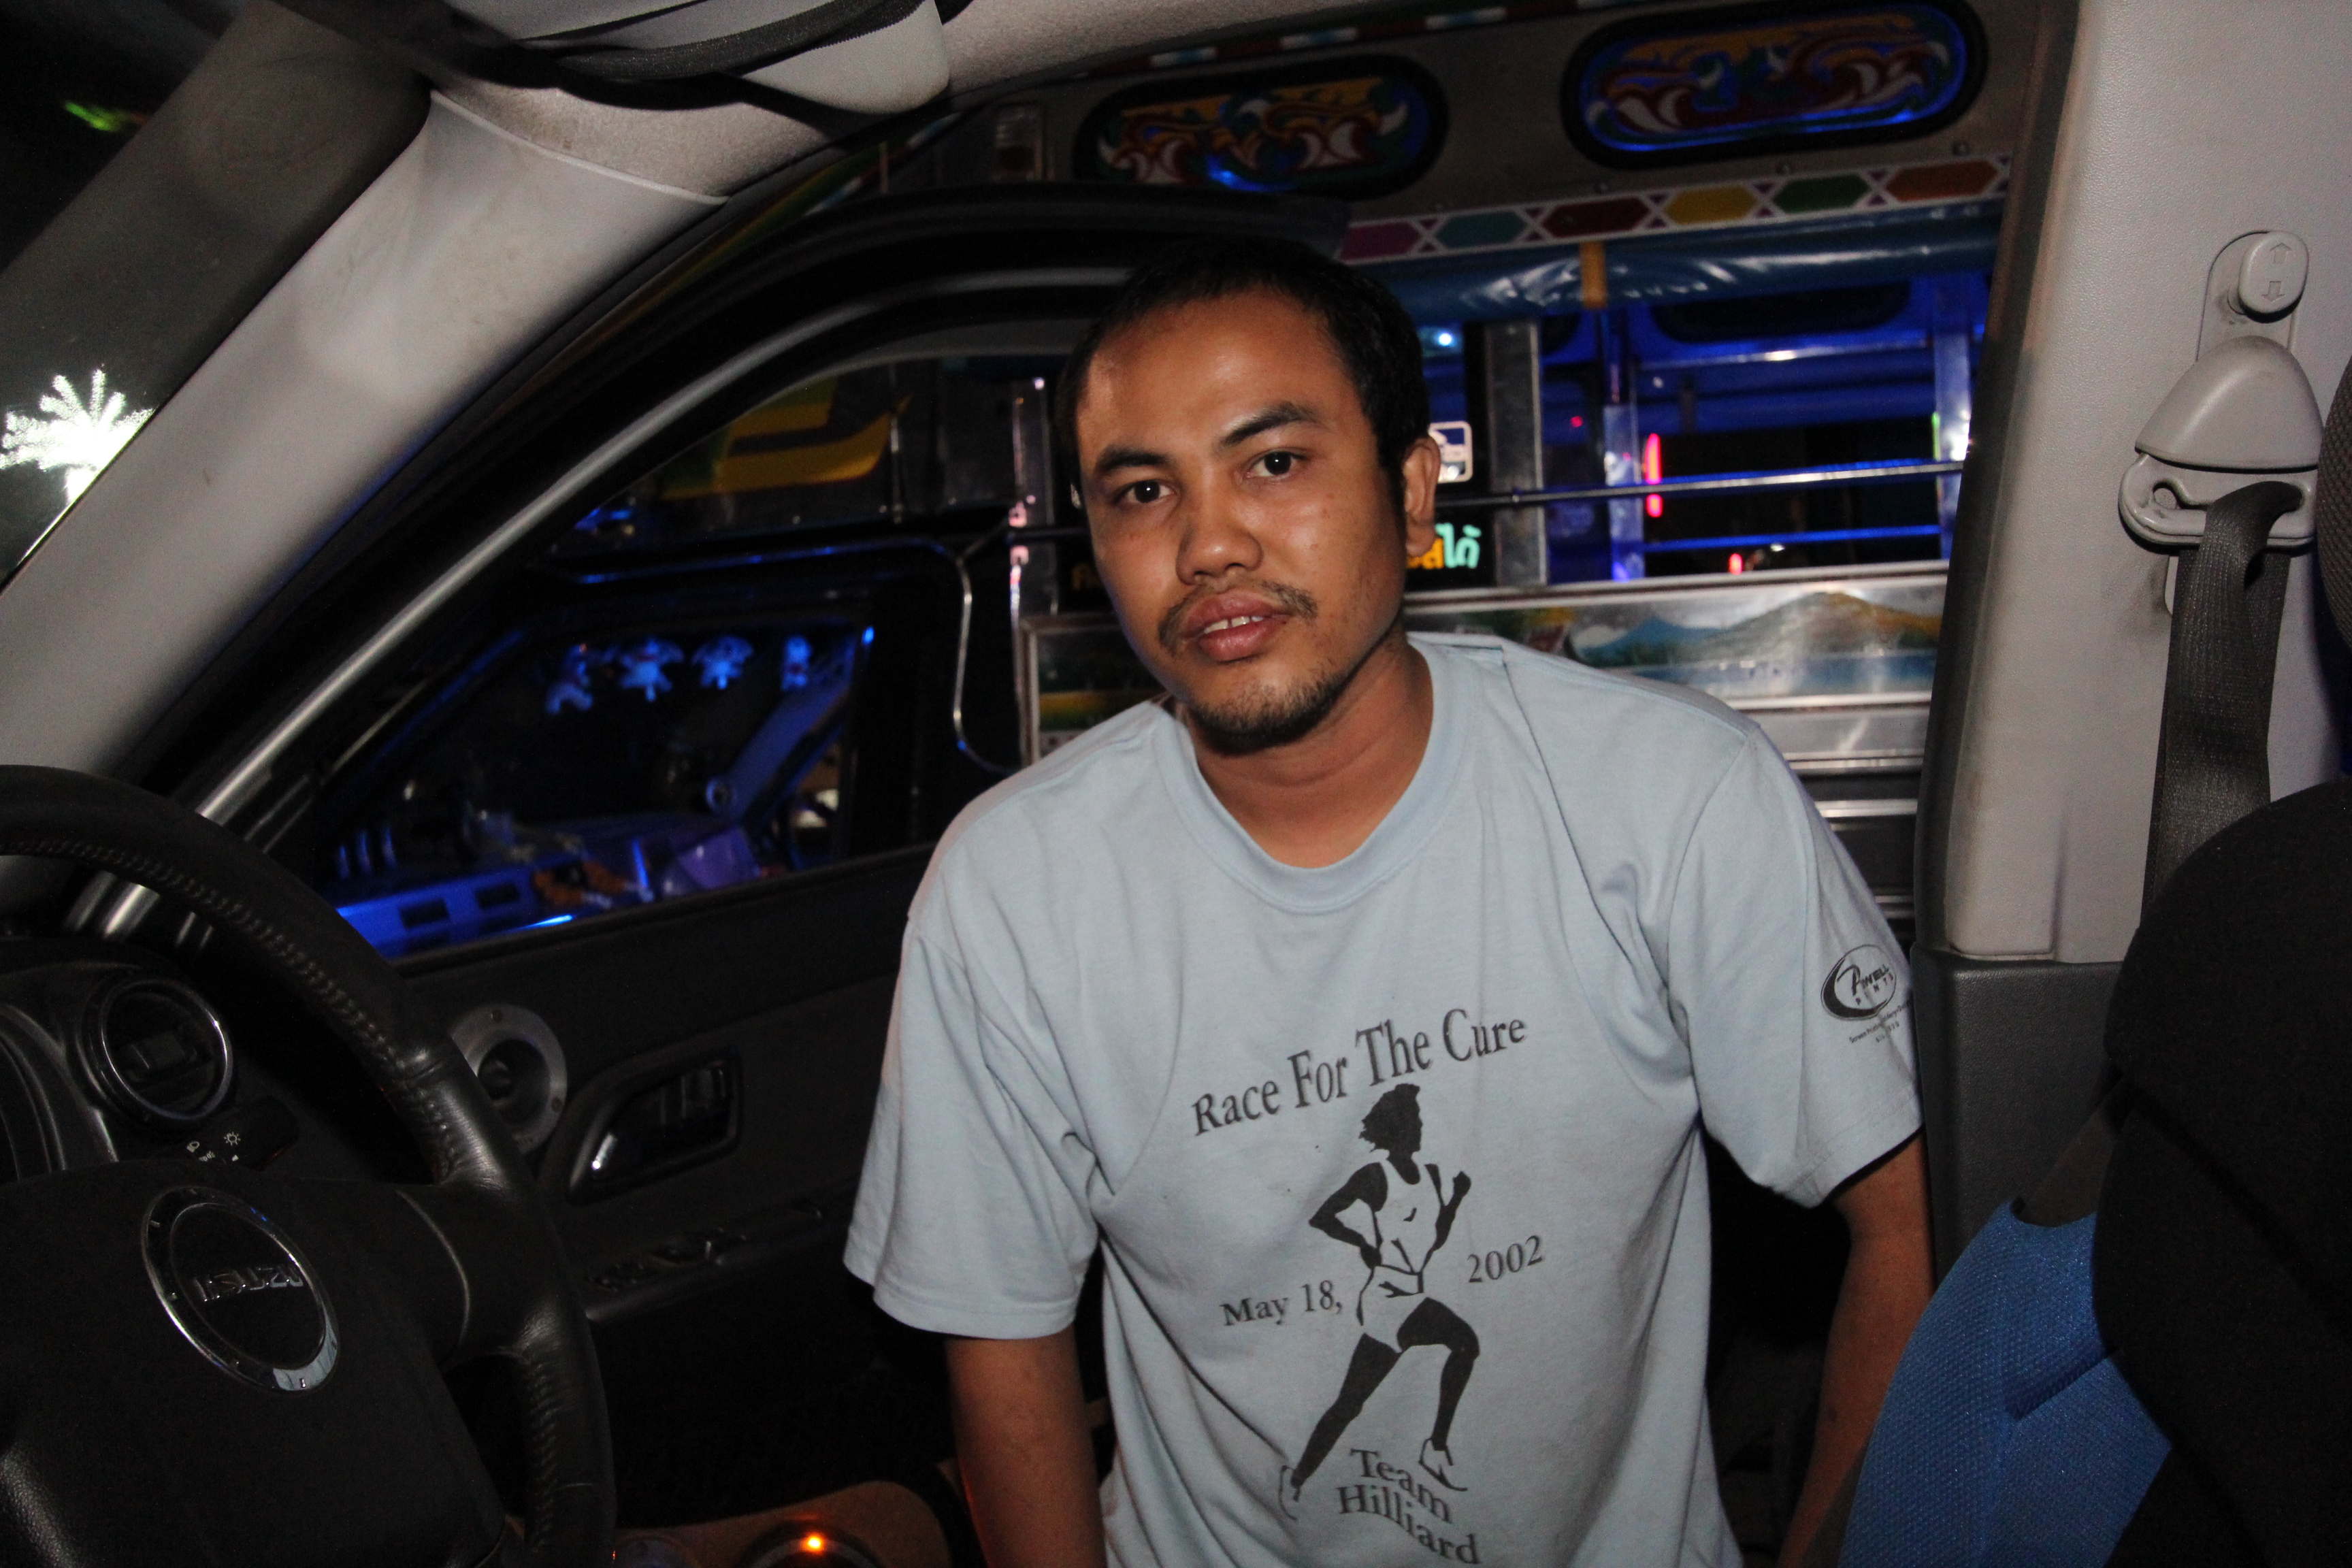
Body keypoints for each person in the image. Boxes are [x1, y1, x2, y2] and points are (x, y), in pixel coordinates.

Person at [845, 236, 1932, 1567]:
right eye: (1142, 491)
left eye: (1274, 462)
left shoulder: (1667, 797)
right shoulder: (1015, 891)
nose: (1208, 543)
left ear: (1413, 492)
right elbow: (1001, 1345)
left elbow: (1905, 1216)